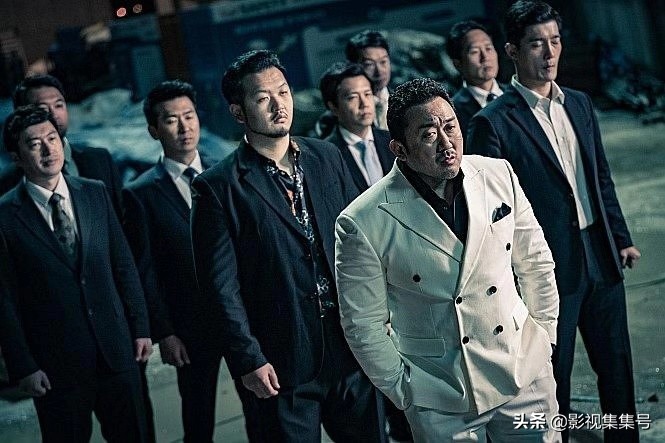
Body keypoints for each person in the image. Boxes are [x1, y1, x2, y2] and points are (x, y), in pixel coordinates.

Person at [335, 77, 561, 442]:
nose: (447, 143)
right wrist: (404, 390)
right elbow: (363, 323)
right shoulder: (362, 220)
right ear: (399, 149)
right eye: (428, 134)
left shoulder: (497, 174)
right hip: (441, 393)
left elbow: (535, 262)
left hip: (522, 369)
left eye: (451, 127)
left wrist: (545, 335)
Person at [466, 2, 641, 442]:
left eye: (555, 41)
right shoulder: (492, 123)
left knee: (617, 372)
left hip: (600, 256)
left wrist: (620, 237)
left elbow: (599, 178)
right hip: (544, 271)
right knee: (551, 380)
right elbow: (491, 214)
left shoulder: (578, 104)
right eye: (536, 44)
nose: (549, 53)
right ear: (512, 50)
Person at [190, 50, 385, 442]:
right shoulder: (219, 187)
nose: (279, 105)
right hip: (281, 362)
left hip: (351, 347)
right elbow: (220, 288)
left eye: (283, 92)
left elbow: (361, 244)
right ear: (238, 112)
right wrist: (248, 358)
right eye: (263, 98)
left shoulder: (326, 156)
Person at [0, 105, 152, 442]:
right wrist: (24, 366)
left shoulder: (94, 192)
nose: (48, 149)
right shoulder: (6, 216)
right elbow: (4, 302)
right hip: (55, 367)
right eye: (34, 143)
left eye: (52, 138)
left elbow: (123, 264)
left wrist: (141, 327)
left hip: (116, 352)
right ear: (16, 157)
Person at [121, 80, 224, 443]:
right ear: (154, 130)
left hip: (237, 315)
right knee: (198, 416)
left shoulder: (223, 173)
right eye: (171, 120)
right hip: (189, 325)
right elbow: (145, 270)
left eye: (189, 116)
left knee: (261, 408)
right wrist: (164, 332)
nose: (184, 127)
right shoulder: (140, 194)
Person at [1, 74, 123, 215]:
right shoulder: (7, 184)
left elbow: (121, 218)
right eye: (42, 108)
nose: (54, 114)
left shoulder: (100, 160)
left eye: (59, 105)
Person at [319, 62, 394, 192]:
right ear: (333, 107)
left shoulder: (391, 140)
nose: (364, 104)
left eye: (367, 94)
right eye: (353, 97)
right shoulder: (325, 155)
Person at [446, 20, 505, 138]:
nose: (485, 57)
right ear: (458, 64)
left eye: (488, 48)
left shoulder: (518, 94)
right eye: (475, 52)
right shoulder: (452, 112)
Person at [346, 30, 392, 131]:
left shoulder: (405, 101)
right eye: (369, 64)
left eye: (383, 61)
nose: (379, 71)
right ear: (353, 66)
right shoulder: (345, 112)